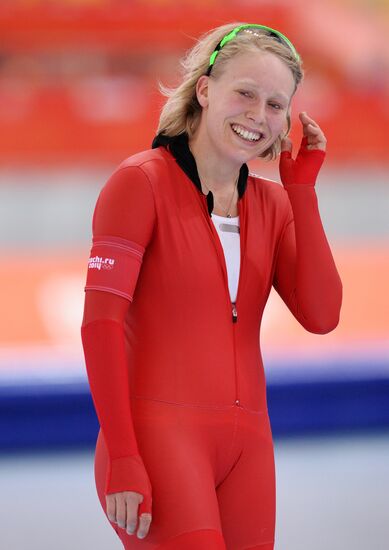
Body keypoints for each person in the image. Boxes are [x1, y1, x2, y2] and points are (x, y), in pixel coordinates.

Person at [81, 22, 342, 550]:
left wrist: (302, 193)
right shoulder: (141, 183)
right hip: (157, 441)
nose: (257, 116)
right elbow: (100, 327)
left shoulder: (272, 206)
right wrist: (126, 457)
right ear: (205, 89)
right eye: (244, 93)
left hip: (248, 448)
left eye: (275, 104)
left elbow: (322, 314)